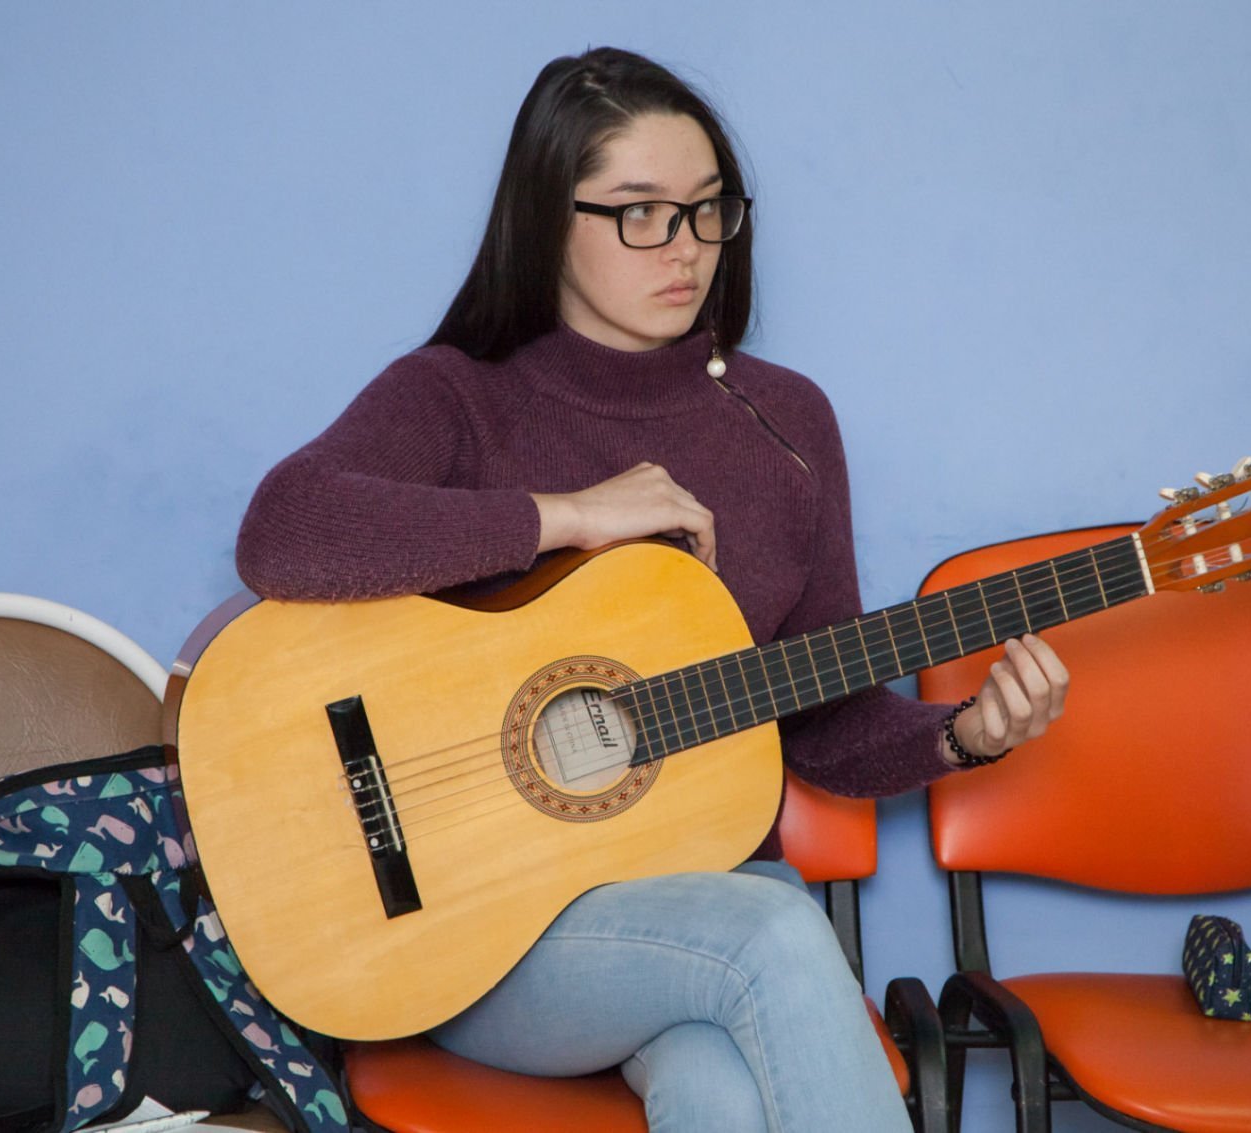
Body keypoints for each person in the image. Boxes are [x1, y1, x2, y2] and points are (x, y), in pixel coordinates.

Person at [235, 46, 1068, 1133]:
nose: (685, 248)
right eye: (640, 213)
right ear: (549, 217)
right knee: (776, 934)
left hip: (711, 891)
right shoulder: (455, 396)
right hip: (487, 930)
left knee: (721, 1088)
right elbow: (281, 530)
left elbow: (818, 720)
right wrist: (568, 515)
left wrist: (963, 739)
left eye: (708, 209)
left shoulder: (788, 424)